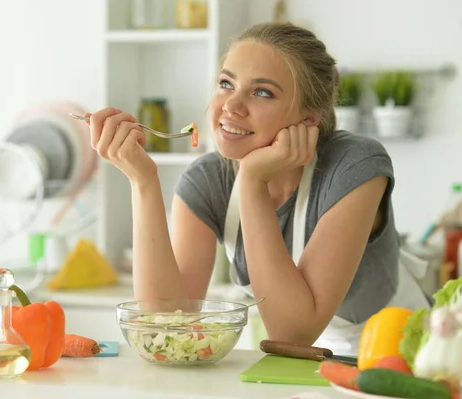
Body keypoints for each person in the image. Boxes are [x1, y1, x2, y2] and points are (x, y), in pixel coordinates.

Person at [83, 22, 429, 356]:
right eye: (225, 83)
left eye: (262, 92)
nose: (231, 106)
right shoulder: (207, 181)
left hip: (406, 356)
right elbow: (169, 324)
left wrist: (251, 181)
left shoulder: (355, 165)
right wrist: (142, 182)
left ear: (310, 117)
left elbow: (294, 333)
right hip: (303, 366)